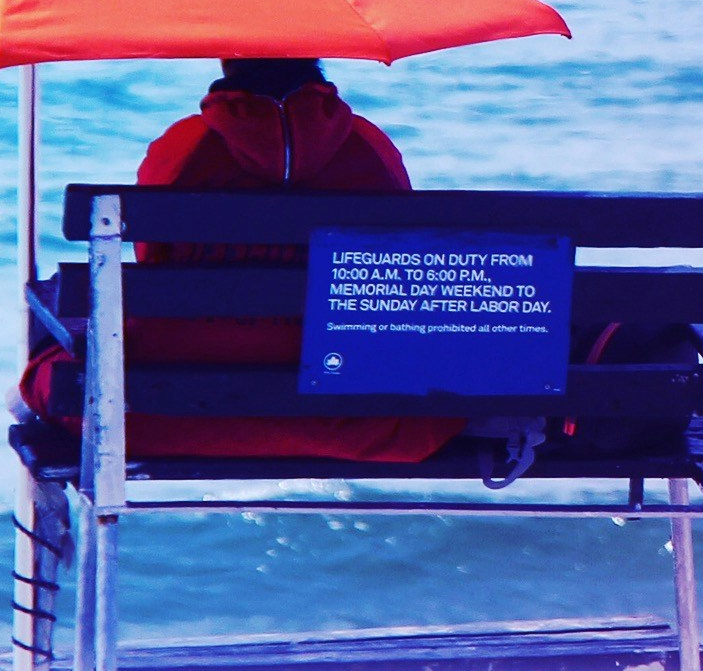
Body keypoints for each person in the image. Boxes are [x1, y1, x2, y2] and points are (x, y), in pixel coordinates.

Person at [111, 57, 458, 465]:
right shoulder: (369, 147)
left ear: (226, 59)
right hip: (362, 418)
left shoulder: (184, 146)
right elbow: (397, 268)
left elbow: (153, 261)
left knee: (55, 377)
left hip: (165, 413)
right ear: (317, 54)